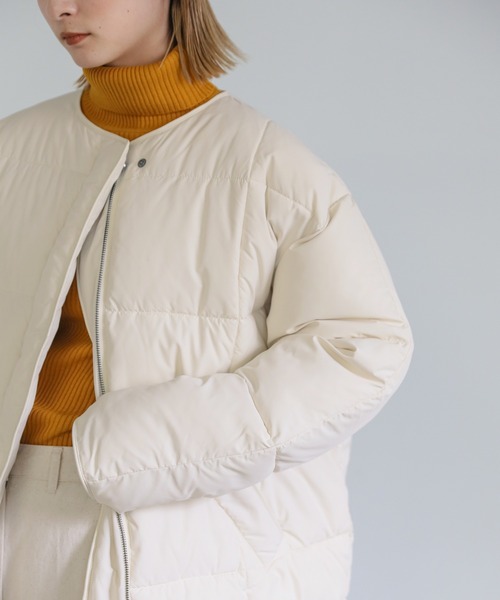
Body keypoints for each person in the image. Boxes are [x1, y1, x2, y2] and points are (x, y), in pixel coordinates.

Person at [0, 0, 413, 598]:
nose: (62, 7)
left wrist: (150, 442)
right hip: (19, 510)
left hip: (194, 530)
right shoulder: (13, 150)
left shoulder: (271, 168)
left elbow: (360, 350)